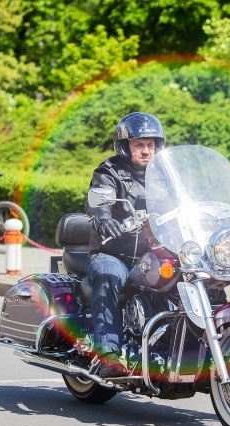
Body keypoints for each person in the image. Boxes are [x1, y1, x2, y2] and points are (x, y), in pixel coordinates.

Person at [85, 112, 166, 378]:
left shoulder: (166, 175)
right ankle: (108, 354)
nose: (146, 151)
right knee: (109, 276)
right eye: (139, 145)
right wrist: (104, 218)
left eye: (150, 145)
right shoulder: (109, 172)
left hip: (153, 253)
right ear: (125, 146)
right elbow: (98, 202)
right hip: (113, 252)